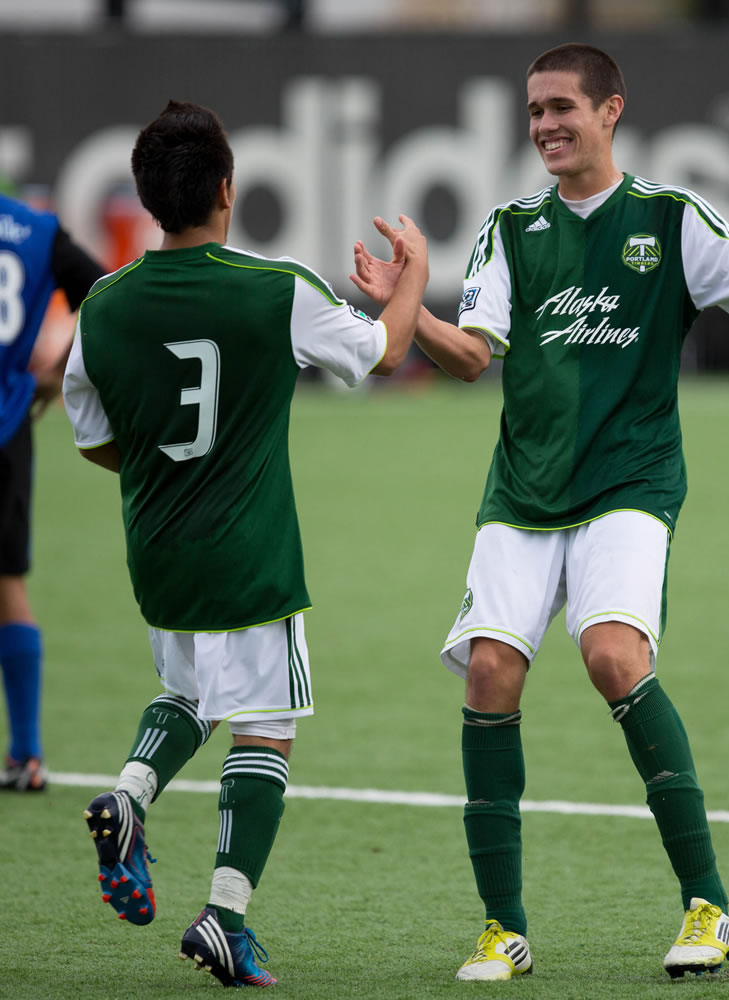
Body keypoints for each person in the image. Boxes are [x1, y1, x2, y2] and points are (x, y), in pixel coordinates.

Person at [351, 43, 729, 981]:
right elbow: (473, 357)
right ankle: (503, 929)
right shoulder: (511, 230)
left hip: (629, 486)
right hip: (522, 493)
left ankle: (708, 907)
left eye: (562, 106)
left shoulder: (669, 220)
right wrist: (409, 306)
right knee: (490, 675)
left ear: (610, 110)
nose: (545, 126)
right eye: (533, 111)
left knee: (612, 656)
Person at [63, 100, 427, 988]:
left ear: (148, 201)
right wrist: (412, 275)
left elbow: (95, 436)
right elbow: (384, 354)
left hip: (157, 552)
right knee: (268, 723)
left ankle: (131, 793)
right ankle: (224, 915)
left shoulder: (105, 308)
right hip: (251, 554)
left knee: (188, 691)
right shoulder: (275, 289)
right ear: (228, 188)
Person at [0, 190, 105, 792]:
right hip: (9, 423)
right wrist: (54, 372)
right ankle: (26, 753)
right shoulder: (36, 229)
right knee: (6, 580)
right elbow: (107, 293)